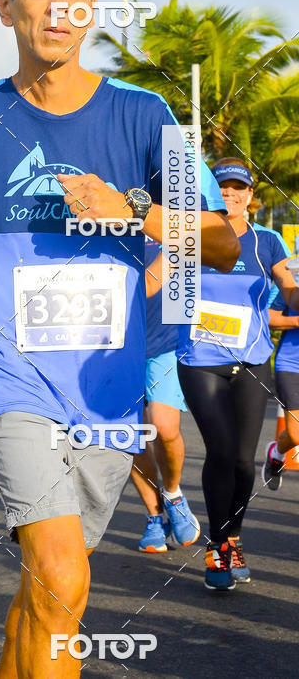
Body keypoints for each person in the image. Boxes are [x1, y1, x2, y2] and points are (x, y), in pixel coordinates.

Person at [0, 0, 239, 678]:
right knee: (63, 571)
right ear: (4, 5)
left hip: (106, 391)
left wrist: (135, 212)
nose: (60, 6)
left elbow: (223, 242)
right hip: (6, 378)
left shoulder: (146, 115)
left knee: (48, 585)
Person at [177, 158, 299, 591]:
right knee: (222, 451)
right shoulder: (188, 234)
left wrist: (296, 290)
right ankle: (216, 544)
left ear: (250, 196)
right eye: (222, 187)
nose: (229, 194)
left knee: (244, 463)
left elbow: (289, 289)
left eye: (237, 188)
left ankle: (233, 538)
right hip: (200, 359)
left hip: (252, 360)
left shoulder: (267, 241)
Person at [132, 240, 199, 552]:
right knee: (130, 435)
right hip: (115, 344)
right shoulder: (103, 217)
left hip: (167, 341)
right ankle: (154, 516)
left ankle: (173, 495)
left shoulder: (172, 218)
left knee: (163, 426)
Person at [262, 284, 299, 488]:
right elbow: (268, 318)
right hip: (292, 365)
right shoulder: (291, 284)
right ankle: (276, 453)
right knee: (295, 434)